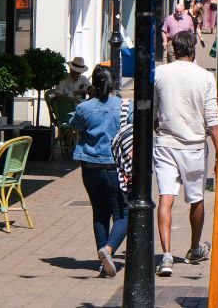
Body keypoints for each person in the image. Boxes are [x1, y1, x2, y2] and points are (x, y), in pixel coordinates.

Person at [152, 31, 218, 277]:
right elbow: (212, 119)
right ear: (193, 49)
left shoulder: (159, 73)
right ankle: (193, 248)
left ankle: (167, 255)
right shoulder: (205, 77)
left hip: (166, 143)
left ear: (173, 49)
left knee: (165, 197)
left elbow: (154, 112)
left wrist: (158, 130)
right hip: (193, 145)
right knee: (196, 199)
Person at [69, 65, 131, 278]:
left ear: (93, 85)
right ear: (113, 83)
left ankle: (103, 261)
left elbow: (74, 124)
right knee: (123, 213)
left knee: (99, 212)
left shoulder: (84, 107)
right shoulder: (124, 106)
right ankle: (109, 250)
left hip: (90, 166)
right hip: (115, 166)